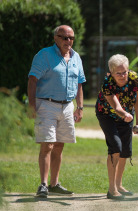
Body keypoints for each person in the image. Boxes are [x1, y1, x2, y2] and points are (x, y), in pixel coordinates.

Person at [28, 25, 86, 198]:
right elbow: (32, 80)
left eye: (71, 38)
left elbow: (79, 83)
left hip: (68, 106)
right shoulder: (44, 55)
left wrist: (80, 107)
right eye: (64, 37)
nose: (68, 41)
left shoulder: (76, 57)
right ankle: (43, 185)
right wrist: (32, 106)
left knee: (59, 145)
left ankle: (54, 184)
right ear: (56, 38)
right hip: (46, 104)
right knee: (47, 144)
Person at [96, 54, 138, 200]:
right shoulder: (108, 84)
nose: (123, 76)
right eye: (118, 73)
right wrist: (125, 114)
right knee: (115, 147)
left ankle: (119, 184)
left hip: (127, 113)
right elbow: (116, 106)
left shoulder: (134, 78)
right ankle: (112, 189)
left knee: (125, 151)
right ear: (111, 72)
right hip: (107, 115)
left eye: (125, 72)